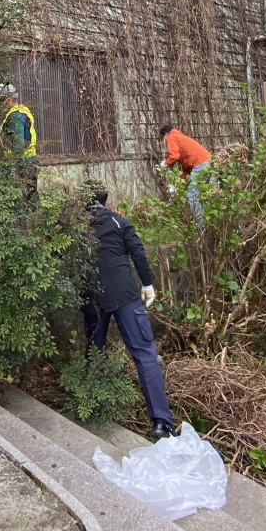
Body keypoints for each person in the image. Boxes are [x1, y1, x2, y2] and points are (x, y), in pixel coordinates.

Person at [82, 186, 175, 441]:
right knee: (144, 354)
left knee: (94, 350)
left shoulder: (77, 227)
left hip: (92, 295)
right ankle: (161, 423)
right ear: (105, 200)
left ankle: (94, 407)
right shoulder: (119, 222)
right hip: (124, 294)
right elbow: (138, 253)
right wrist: (147, 284)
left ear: (82, 201)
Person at [159, 124, 210, 226]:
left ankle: (201, 227)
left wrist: (164, 164)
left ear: (165, 135)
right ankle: (208, 225)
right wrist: (179, 184)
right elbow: (187, 169)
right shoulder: (180, 138)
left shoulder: (170, 136)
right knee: (204, 196)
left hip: (200, 164)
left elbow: (174, 156)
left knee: (192, 196)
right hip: (207, 163)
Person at [0, 83, 38, 198]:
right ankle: (34, 214)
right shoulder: (22, 111)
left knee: (24, 197)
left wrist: (13, 165)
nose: (0, 105)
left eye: (1, 101)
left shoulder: (15, 117)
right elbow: (13, 130)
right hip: (29, 160)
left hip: (22, 163)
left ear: (8, 100)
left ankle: (28, 215)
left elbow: (18, 144)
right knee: (30, 195)